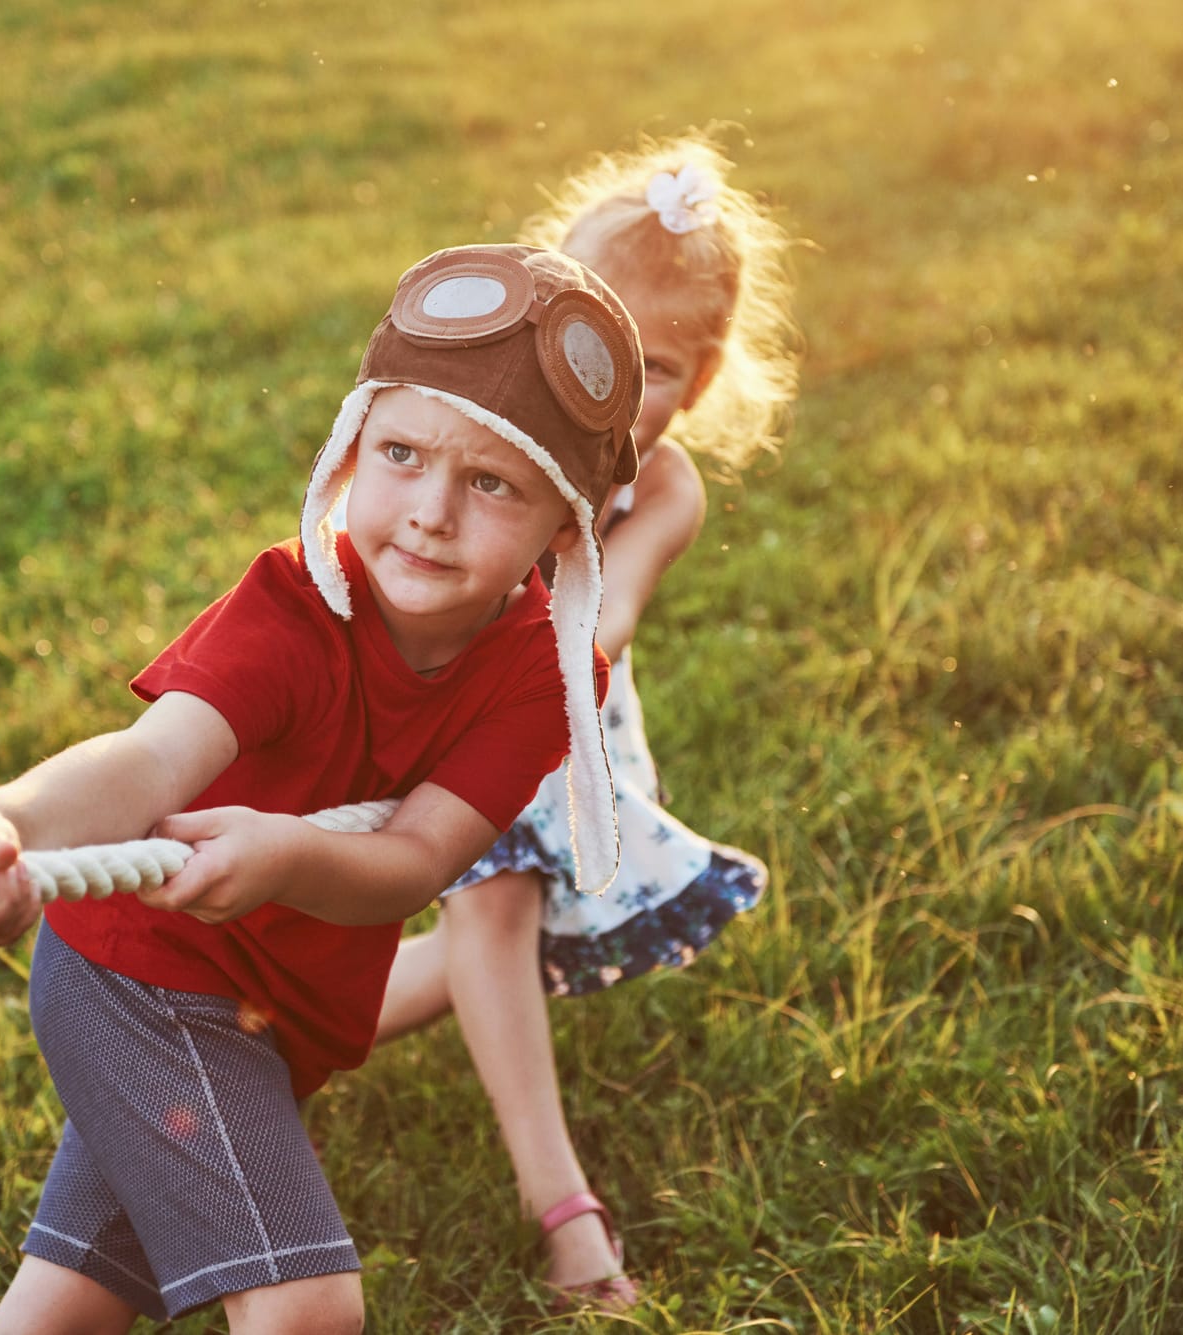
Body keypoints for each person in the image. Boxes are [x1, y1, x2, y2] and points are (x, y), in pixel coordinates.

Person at [0, 242, 645, 1333]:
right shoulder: (296, 605)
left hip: (274, 1015)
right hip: (143, 969)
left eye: (491, 482)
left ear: (564, 522)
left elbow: (417, 861)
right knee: (306, 1304)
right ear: (352, 447)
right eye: (400, 453)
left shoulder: (546, 675)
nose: (431, 511)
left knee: (65, 1310)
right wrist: (6, 820)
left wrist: (287, 856)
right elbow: (147, 762)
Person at [373, 132, 799, 1309]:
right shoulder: (481, 436)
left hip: (559, 715)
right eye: (593, 342)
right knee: (493, 916)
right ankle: (563, 1210)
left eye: (652, 368)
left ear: (699, 386)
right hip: (437, 692)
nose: (614, 388)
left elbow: (600, 621)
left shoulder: (661, 487)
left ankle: (273, 1030)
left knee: (497, 929)